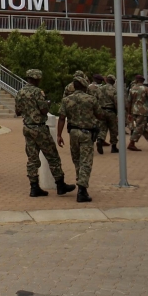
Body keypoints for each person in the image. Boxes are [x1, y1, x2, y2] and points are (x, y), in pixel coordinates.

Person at [17, 70, 74, 198]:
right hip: (39, 128)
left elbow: (17, 110)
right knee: (52, 156)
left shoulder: (20, 92)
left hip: (27, 127)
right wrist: (47, 104)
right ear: (36, 79)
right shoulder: (37, 92)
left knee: (32, 158)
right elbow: (44, 110)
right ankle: (60, 184)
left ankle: (34, 187)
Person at [58, 73, 101, 203]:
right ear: (83, 86)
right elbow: (100, 115)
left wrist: (59, 135)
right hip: (87, 133)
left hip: (73, 133)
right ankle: (82, 190)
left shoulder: (66, 100)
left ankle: (81, 184)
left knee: (77, 160)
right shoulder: (91, 99)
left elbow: (61, 118)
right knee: (86, 162)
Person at [126, 75, 148, 152]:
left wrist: (129, 113)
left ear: (136, 80)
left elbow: (129, 102)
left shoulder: (132, 89)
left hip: (134, 110)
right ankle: (131, 143)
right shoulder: (146, 89)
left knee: (143, 128)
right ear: (143, 81)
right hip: (142, 111)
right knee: (139, 127)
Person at [87, 74, 116, 155]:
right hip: (111, 111)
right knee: (113, 129)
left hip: (101, 110)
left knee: (102, 128)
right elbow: (116, 101)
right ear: (113, 81)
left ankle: (100, 140)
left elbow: (95, 99)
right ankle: (114, 147)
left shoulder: (100, 89)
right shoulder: (114, 89)